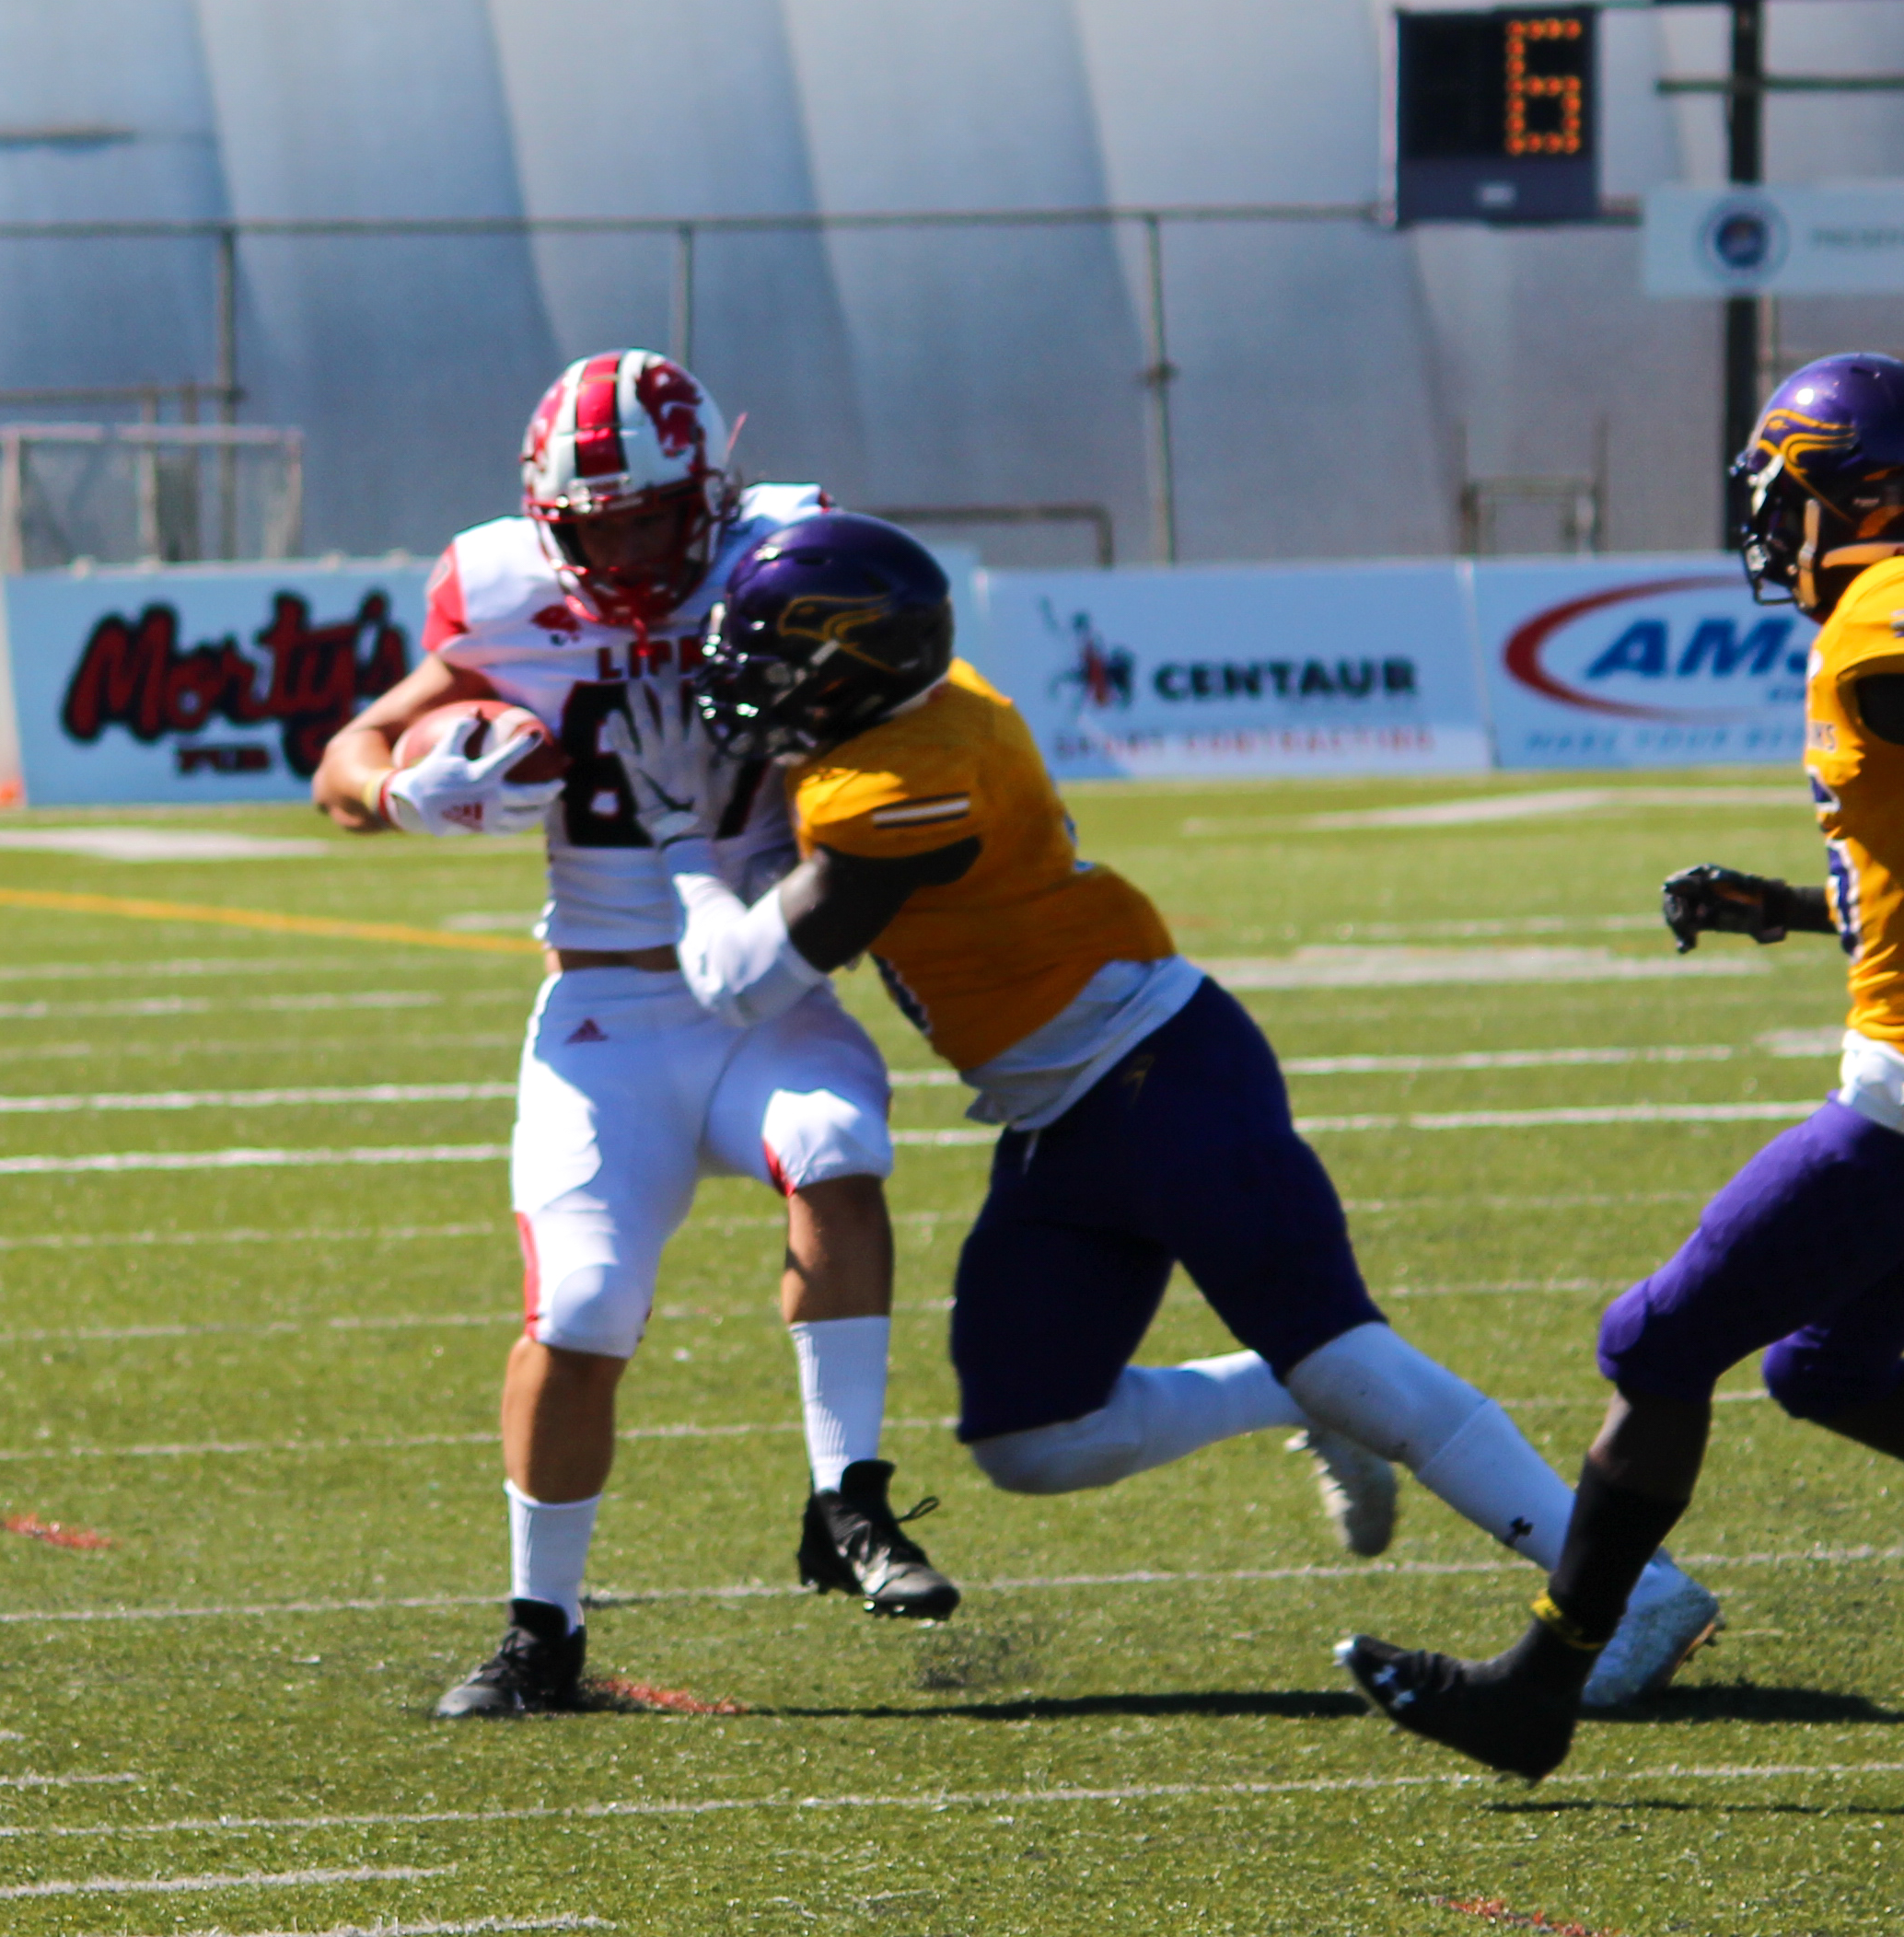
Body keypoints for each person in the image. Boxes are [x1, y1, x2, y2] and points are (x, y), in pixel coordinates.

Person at [1337, 354, 1904, 1785]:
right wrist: (1784, 905)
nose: (1767, 523)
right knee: (1829, 1369)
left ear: (1862, 499)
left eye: (1784, 493)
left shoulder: (1898, 618)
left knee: (1654, 1346)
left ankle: (1539, 1688)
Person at [618, 510, 1722, 1711]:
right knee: (1033, 1437)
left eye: (779, 662)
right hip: (1060, 1115)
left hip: (1161, 1073)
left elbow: (740, 982)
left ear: (856, 669)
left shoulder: (898, 784)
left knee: (1342, 1350)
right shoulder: (926, 709)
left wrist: (678, 836)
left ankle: (1632, 1591)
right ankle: (1282, 1389)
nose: (753, 685)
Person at [316, 350, 954, 1722]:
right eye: (591, 526)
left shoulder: (786, 556)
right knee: (583, 1308)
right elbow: (346, 758)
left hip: (769, 987)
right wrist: (403, 795)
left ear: (709, 493)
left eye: (648, 522)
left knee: (838, 1145)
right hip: (608, 1002)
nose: (619, 553)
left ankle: (846, 1498)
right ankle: (540, 1629)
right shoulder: (501, 590)